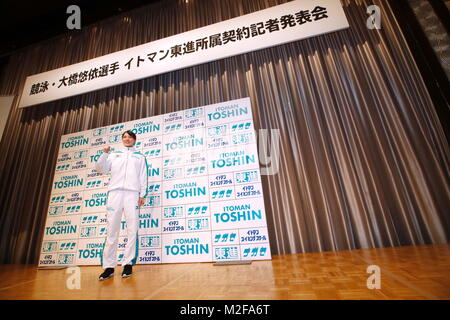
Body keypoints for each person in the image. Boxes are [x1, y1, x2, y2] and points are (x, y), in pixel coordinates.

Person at [95, 130, 148, 280]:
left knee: (132, 230)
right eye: (124, 137)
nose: (127, 139)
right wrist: (104, 154)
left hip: (132, 194)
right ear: (122, 140)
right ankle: (109, 267)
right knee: (112, 230)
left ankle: (128, 264)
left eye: (130, 137)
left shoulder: (140, 157)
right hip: (115, 193)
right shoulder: (113, 155)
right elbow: (100, 169)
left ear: (134, 140)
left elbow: (143, 176)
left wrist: (142, 194)